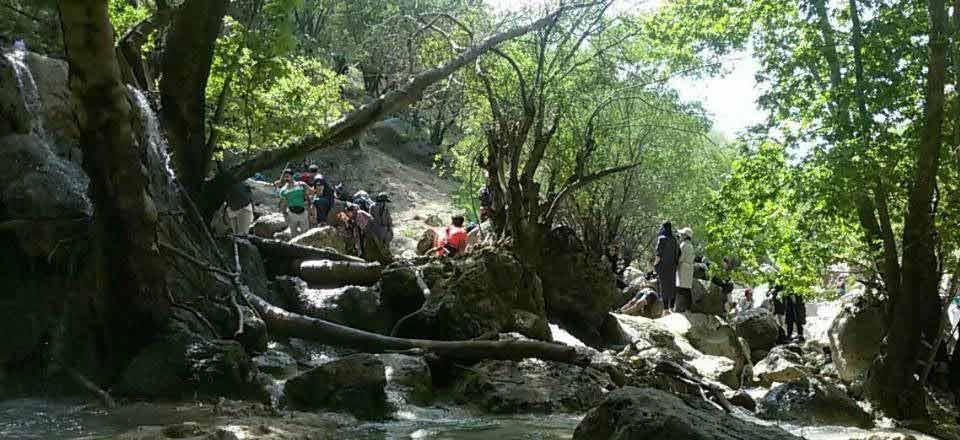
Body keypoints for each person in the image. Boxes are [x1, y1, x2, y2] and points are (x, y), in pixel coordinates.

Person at [654, 222, 679, 312]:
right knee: (672, 286)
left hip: (663, 266)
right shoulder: (674, 239)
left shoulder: (661, 239)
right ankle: (672, 307)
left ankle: (665, 310)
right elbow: (677, 253)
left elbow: (658, 254)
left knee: (664, 286)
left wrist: (655, 265)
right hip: (672, 266)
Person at [278, 169, 309, 236]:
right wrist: (284, 214)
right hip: (291, 214)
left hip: (303, 212)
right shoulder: (283, 190)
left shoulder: (301, 185)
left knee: (305, 234)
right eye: (285, 177)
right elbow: (283, 203)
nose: (286, 178)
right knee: (293, 235)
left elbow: (309, 195)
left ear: (292, 176)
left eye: (287, 176)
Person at [674, 227, 695, 312]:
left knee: (680, 289)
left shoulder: (683, 245)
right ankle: (688, 308)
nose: (681, 235)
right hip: (689, 269)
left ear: (685, 236)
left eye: (682, 234)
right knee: (686, 289)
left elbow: (680, 258)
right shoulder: (691, 245)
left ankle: (679, 308)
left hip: (683, 268)